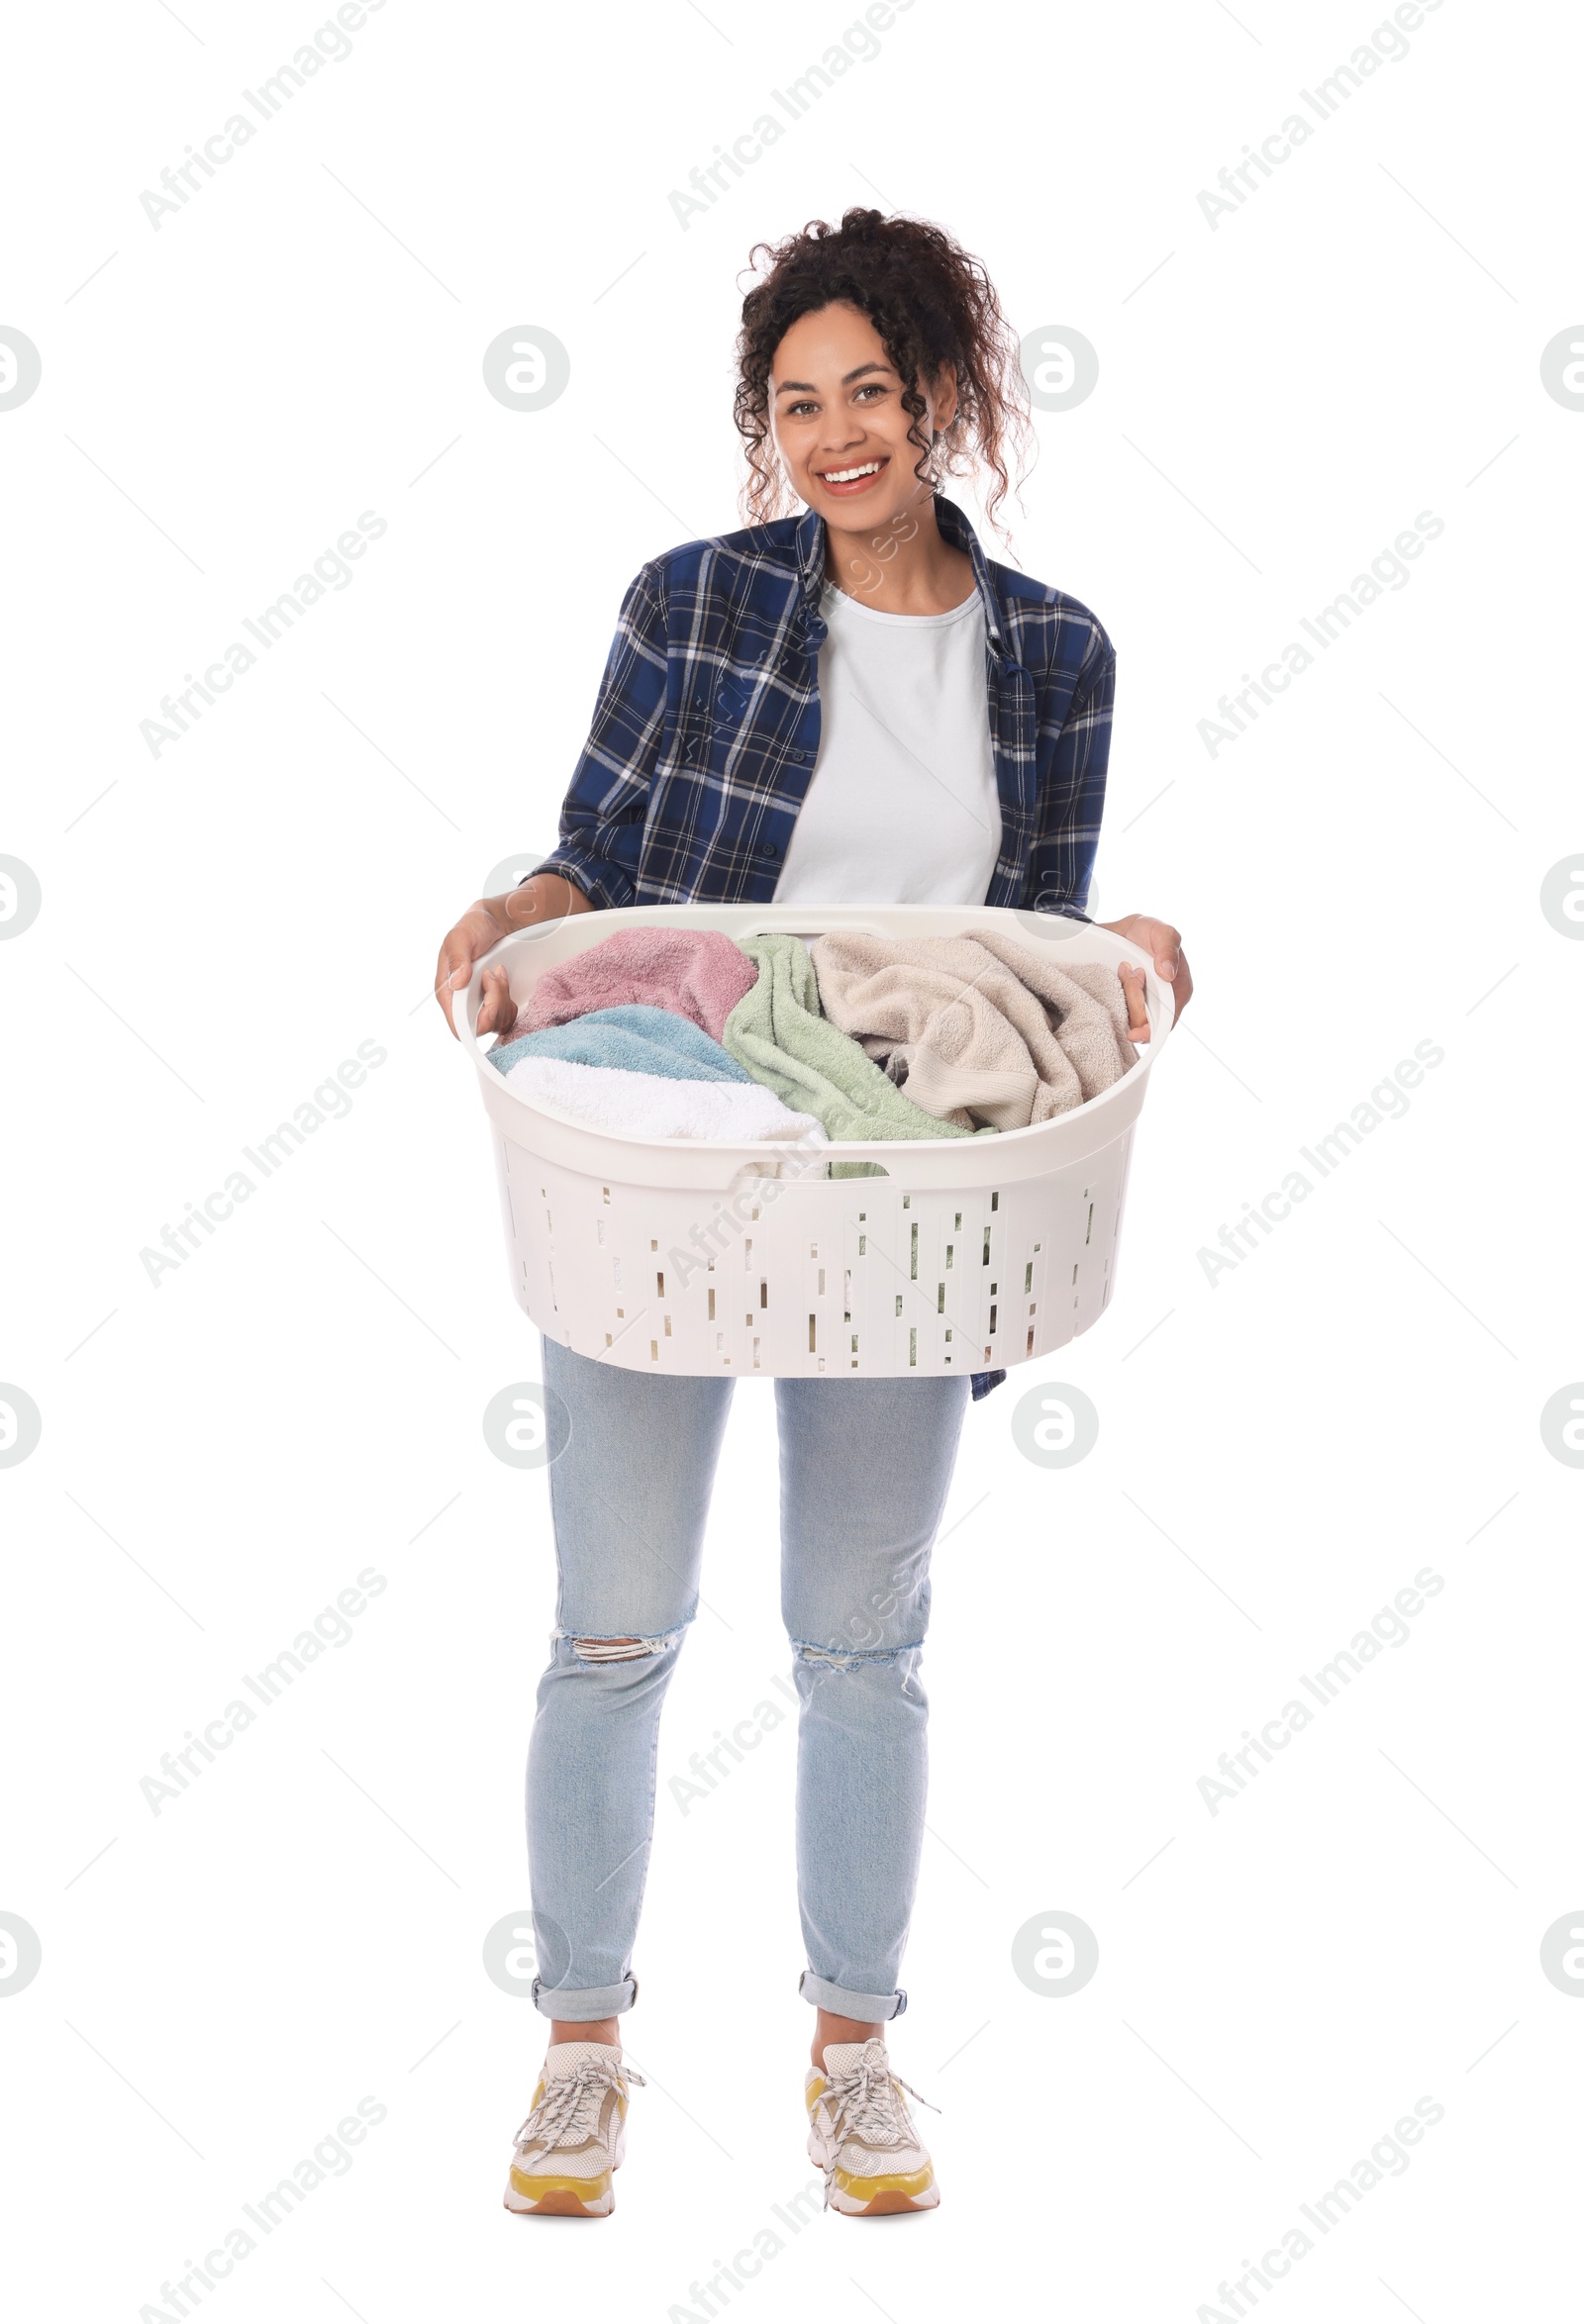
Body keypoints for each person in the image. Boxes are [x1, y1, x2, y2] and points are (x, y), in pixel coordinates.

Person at [435, 208, 1193, 2219]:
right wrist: (516, 913)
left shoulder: (1053, 652)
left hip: (900, 1188)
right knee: (611, 1630)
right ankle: (580, 2044)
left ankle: (855, 2052)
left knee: (862, 1644)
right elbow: (598, 857)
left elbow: (1025, 948)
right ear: (762, 432)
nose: (837, 434)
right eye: (797, 403)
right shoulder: (692, 602)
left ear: (941, 399)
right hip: (667, 1153)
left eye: (871, 390)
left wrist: (1120, 945)